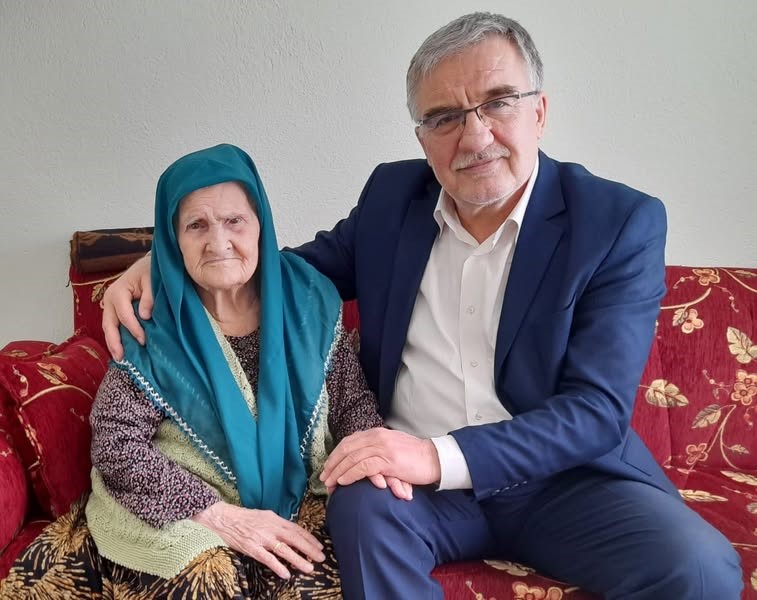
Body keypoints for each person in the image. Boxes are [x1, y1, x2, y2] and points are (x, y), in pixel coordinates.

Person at [100, 13, 743, 600]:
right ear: (422, 136)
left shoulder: (617, 222)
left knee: (700, 569)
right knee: (360, 510)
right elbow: (281, 274)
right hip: (413, 492)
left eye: (498, 102)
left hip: (567, 483)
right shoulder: (392, 199)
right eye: (444, 117)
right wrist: (165, 264)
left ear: (540, 111)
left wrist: (436, 455)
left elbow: (596, 412)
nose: (475, 135)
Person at [0, 144, 411, 599]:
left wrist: (373, 462)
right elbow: (116, 442)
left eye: (235, 221)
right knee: (203, 581)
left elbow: (352, 405)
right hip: (183, 509)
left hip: (303, 497)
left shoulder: (308, 299)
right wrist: (215, 514)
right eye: (196, 225)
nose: (218, 243)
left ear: (260, 224)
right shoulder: (150, 320)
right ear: (172, 239)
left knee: (321, 574)